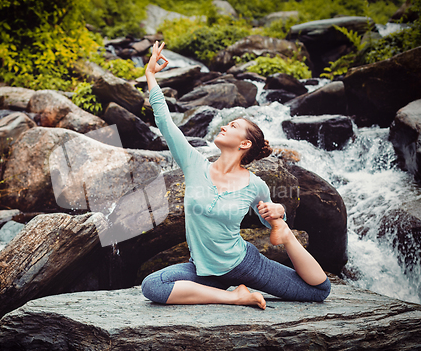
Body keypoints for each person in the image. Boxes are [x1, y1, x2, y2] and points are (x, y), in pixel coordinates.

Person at [141, 41, 330, 309]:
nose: (225, 126)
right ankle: (235, 297)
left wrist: (279, 214)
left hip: (244, 264)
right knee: (153, 286)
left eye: (233, 125)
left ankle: (287, 238)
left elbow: (270, 220)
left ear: (245, 144)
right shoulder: (194, 164)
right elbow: (165, 122)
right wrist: (150, 75)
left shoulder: (256, 185)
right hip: (203, 271)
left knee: (318, 290)